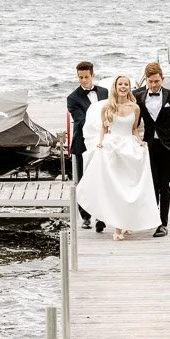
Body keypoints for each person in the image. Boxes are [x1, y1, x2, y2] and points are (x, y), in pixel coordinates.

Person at [76, 75, 159, 239]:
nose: (123, 86)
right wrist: (100, 142)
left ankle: (126, 222)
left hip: (129, 147)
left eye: (126, 84)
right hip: (113, 147)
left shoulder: (135, 108)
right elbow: (104, 128)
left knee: (128, 188)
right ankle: (117, 229)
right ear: (115, 86)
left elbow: (134, 129)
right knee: (116, 188)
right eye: (120, 84)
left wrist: (140, 142)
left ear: (129, 87)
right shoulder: (107, 107)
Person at [136, 61, 170, 237]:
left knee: (164, 185)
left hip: (167, 146)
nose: (153, 85)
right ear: (146, 80)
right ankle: (152, 219)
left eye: (156, 81)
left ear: (162, 79)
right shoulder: (138, 96)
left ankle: (163, 224)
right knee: (153, 183)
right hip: (149, 146)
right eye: (150, 81)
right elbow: (132, 119)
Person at [65, 62, 108, 230]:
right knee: (83, 181)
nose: (83, 80)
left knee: (103, 179)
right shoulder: (72, 98)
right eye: (80, 77)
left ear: (92, 75)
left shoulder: (104, 92)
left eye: (86, 77)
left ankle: (101, 216)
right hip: (82, 143)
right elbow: (82, 120)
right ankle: (85, 217)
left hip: (103, 142)